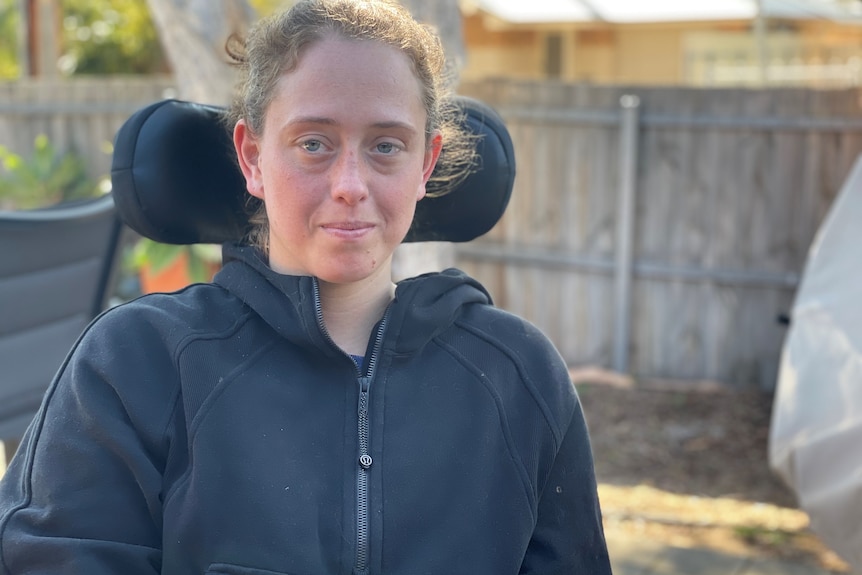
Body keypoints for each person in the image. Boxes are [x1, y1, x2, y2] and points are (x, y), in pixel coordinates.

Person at [0, 1, 612, 573]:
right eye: (313, 143)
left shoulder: (519, 376)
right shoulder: (137, 364)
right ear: (252, 158)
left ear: (426, 164)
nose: (350, 183)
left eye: (386, 146)